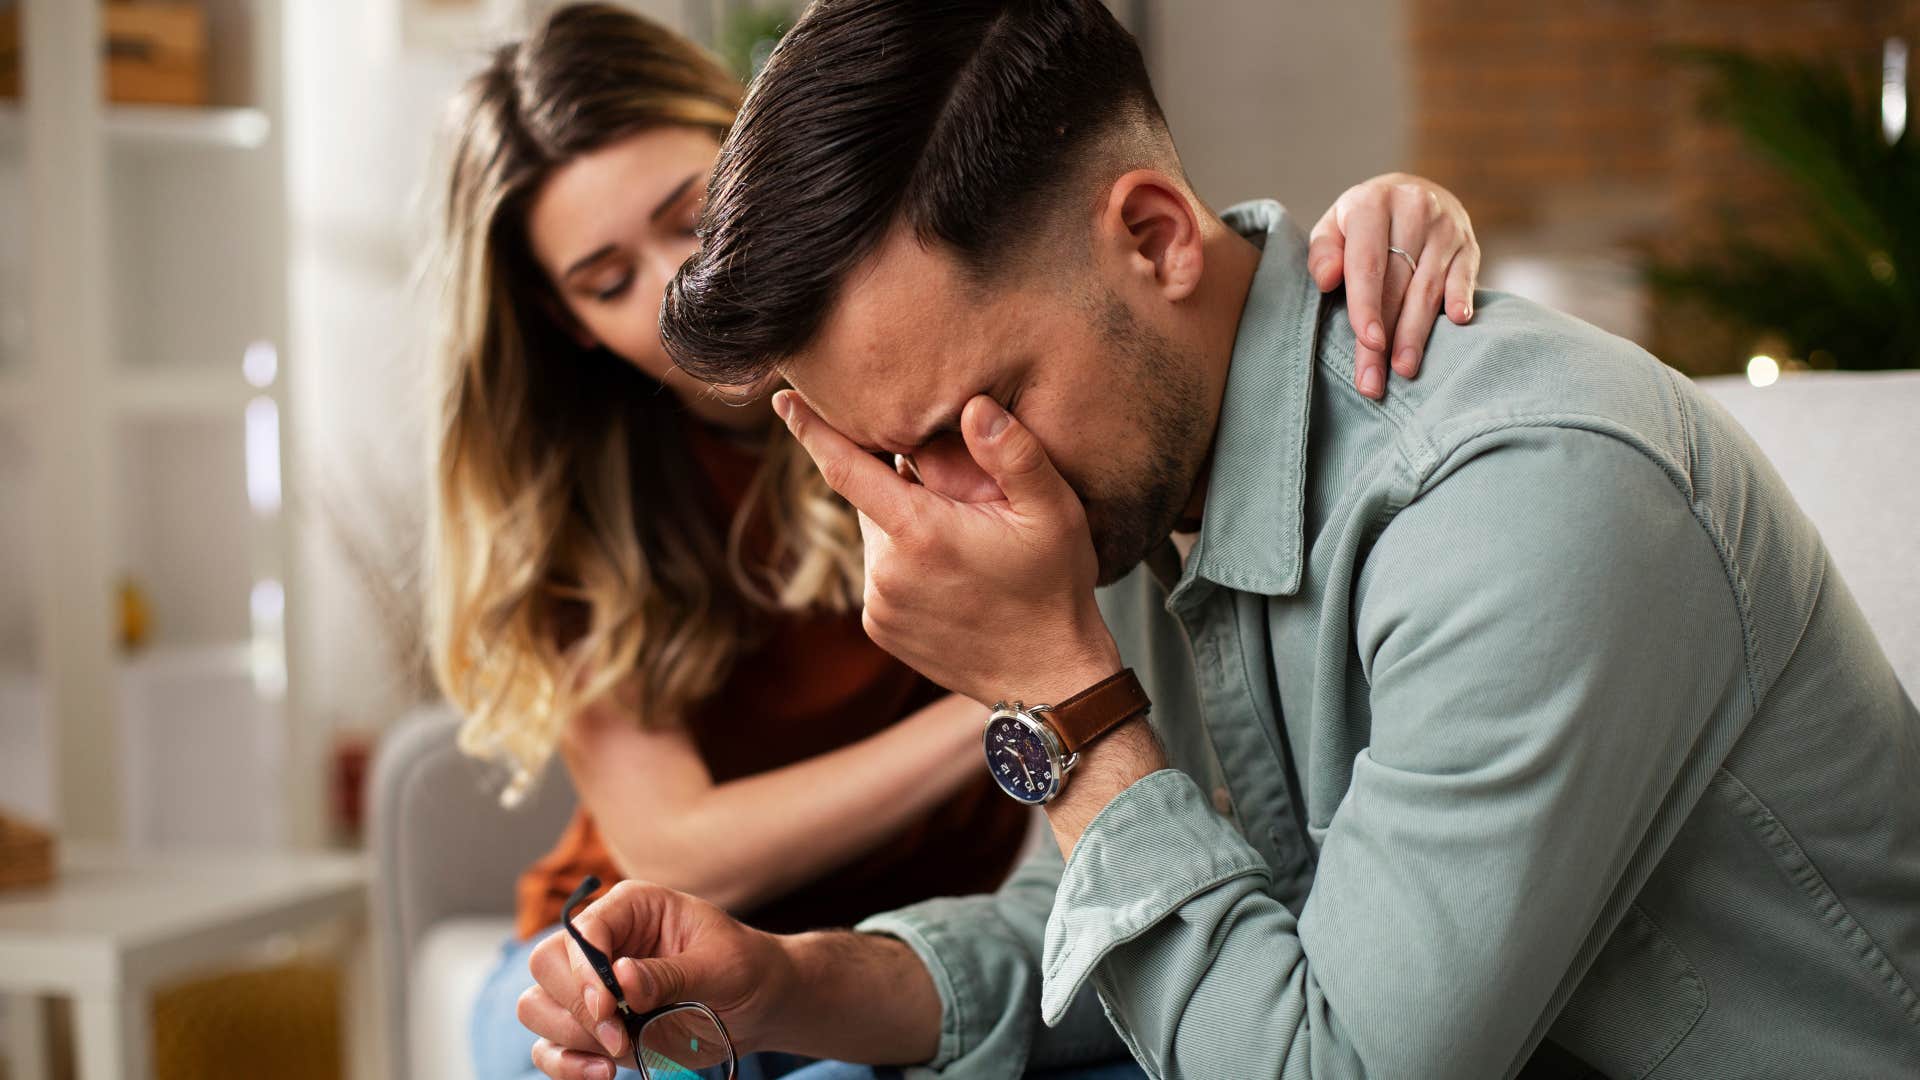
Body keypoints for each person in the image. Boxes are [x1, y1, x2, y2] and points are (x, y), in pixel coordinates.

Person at [516, 1, 1920, 1078]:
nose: (952, 506)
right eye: (894, 458)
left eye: (974, 415)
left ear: (1154, 236)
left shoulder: (1523, 499)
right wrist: (789, 981)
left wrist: (1062, 703)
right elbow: (1101, 922)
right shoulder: (1135, 477)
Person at [425, 5, 1485, 1079]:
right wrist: (1036, 697)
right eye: (606, 282)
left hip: (960, 912)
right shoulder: (583, 506)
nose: (666, 292)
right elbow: (674, 846)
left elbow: (1190, 289)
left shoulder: (981, 359)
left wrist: (1383, 220)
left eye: (692, 216)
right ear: (561, 320)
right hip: (706, 922)